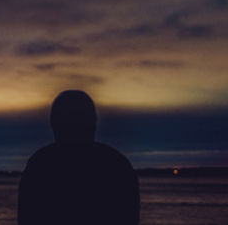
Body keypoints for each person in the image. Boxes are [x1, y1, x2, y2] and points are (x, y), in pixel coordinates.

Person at [18, 90, 140, 224]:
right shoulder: (117, 164)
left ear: (54, 124)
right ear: (93, 123)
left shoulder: (40, 164)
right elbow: (130, 217)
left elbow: (26, 218)